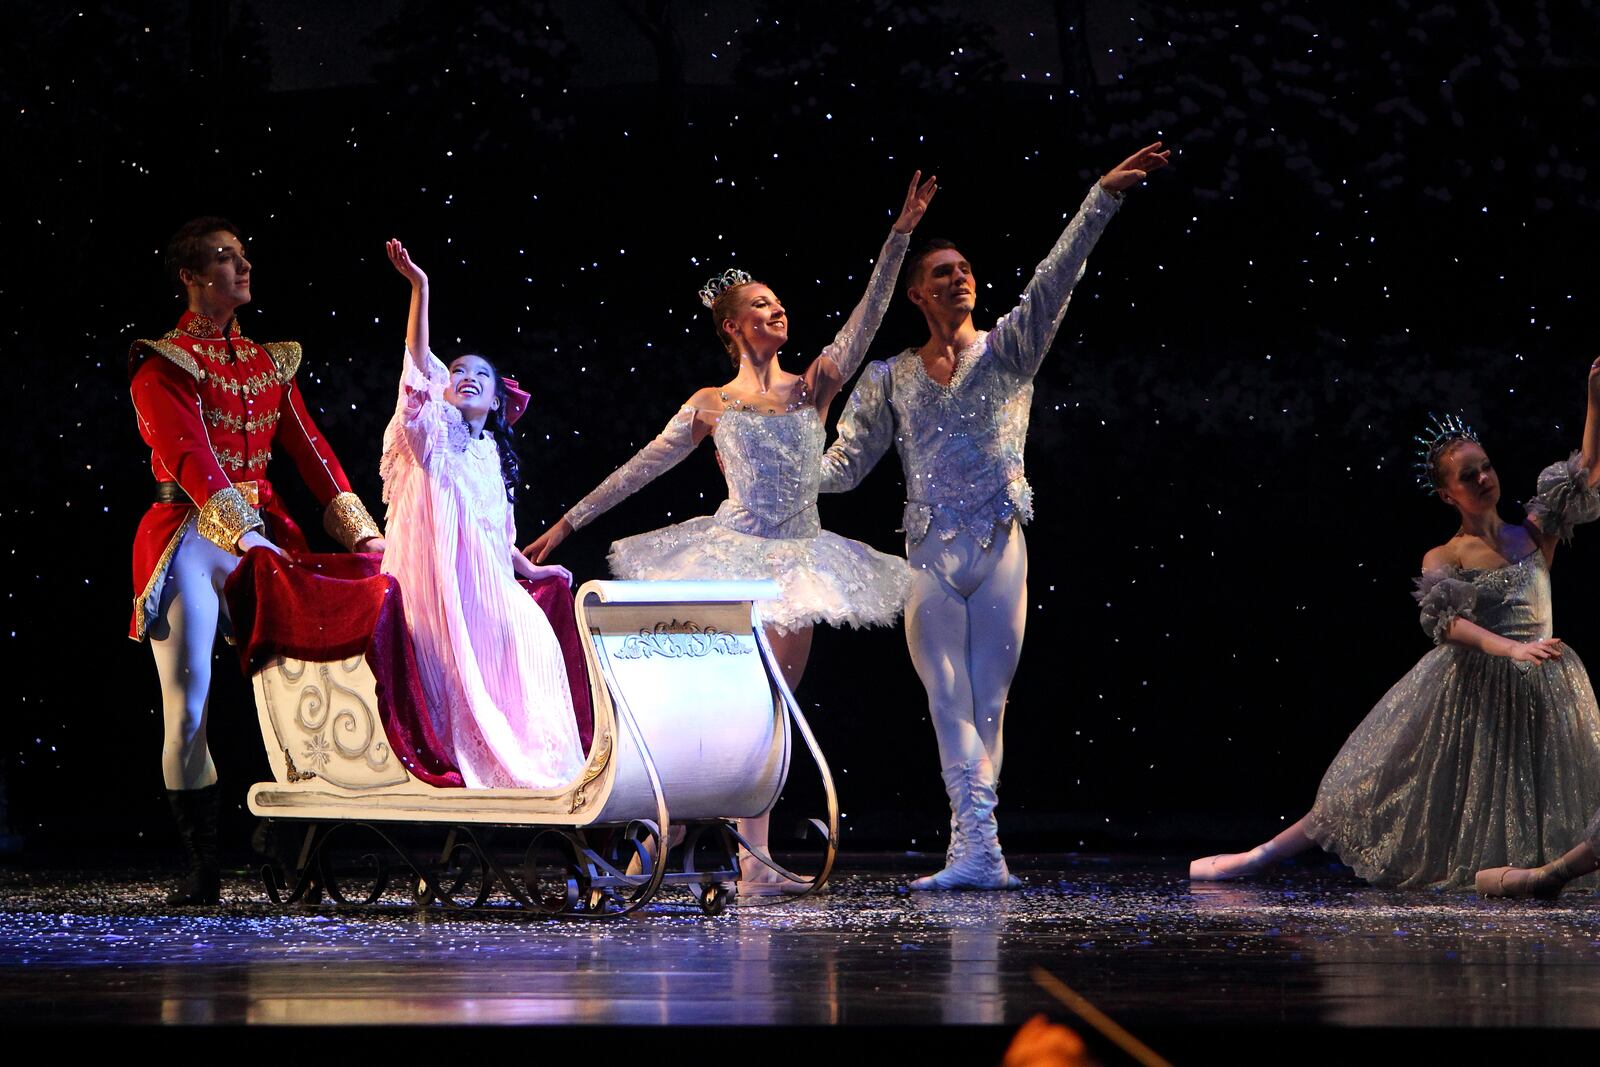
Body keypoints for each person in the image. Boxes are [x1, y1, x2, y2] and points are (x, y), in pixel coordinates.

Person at [524, 173, 938, 895]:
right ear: (734, 327)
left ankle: (753, 860)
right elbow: (637, 471)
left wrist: (897, 237)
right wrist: (564, 524)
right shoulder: (711, 403)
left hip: (800, 561)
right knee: (709, 709)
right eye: (760, 305)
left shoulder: (813, 385)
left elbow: (868, 319)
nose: (777, 309)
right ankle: (656, 842)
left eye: (777, 302)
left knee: (773, 707)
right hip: (728, 559)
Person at [819, 144, 1170, 890]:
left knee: (990, 707)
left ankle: (976, 848)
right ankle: (978, 849)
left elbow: (1055, 279)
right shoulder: (890, 379)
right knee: (947, 699)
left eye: (965, 268)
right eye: (942, 272)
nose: (960, 277)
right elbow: (843, 470)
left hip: (1000, 544)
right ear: (916, 292)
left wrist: (1099, 197)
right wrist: (780, 472)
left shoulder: (1010, 351)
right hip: (929, 553)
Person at [1192, 364, 1600, 889]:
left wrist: (1593, 399)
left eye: (1486, 467)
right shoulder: (1444, 554)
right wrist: (1509, 650)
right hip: (1471, 684)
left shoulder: (1534, 532)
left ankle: (1526, 876)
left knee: (1544, 793)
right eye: (1468, 475)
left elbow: (1586, 470)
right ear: (1447, 494)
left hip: (1543, 684)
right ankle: (1260, 855)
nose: (1483, 478)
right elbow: (1445, 624)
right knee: (1374, 778)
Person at [129, 217, 385, 904]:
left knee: (307, 682)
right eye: (223, 258)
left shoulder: (270, 362)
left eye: (242, 256)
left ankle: (295, 831)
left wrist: (363, 534)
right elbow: (191, 458)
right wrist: (244, 534)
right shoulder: (162, 364)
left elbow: (311, 449)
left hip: (265, 532)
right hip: (190, 534)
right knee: (188, 703)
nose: (241, 268)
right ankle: (203, 864)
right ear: (189, 276)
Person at [380, 240, 586, 790]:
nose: (465, 375)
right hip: (446, 583)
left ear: (496, 401)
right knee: (495, 643)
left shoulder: (491, 456)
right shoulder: (435, 434)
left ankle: (546, 764)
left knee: (535, 633)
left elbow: (495, 534)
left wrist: (533, 570)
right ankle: (490, 757)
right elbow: (417, 367)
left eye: (480, 374)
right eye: (457, 370)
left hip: (487, 578)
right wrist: (421, 290)